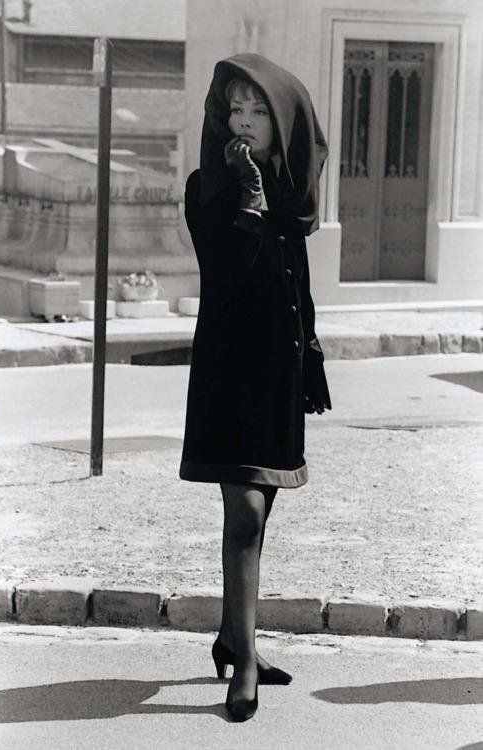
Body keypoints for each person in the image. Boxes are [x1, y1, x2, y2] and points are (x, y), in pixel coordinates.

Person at [179, 53, 331, 722]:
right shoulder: (208, 187)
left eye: (257, 110)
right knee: (243, 510)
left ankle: (232, 636)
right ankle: (243, 662)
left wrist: (312, 360)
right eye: (233, 109)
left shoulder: (288, 196)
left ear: (281, 121)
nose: (242, 121)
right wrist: (244, 191)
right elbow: (232, 270)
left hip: (278, 373)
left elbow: (295, 288)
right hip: (228, 373)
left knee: (261, 510)